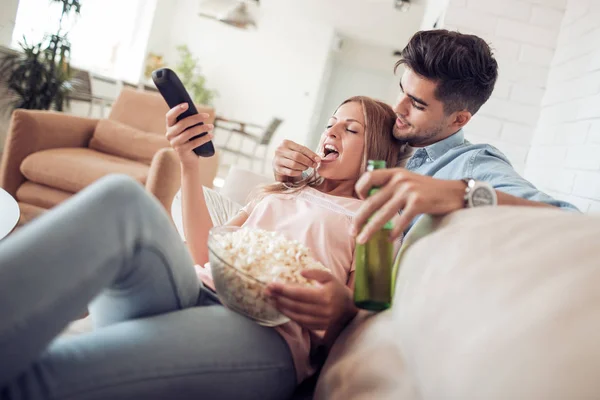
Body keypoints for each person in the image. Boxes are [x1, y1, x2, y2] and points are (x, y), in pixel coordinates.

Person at [0, 96, 405, 399]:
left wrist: (340, 311)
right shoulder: (281, 193)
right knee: (122, 198)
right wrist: (189, 166)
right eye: (331, 123)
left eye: (351, 130)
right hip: (196, 285)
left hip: (268, 332)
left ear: (378, 156)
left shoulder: (377, 217)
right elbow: (205, 253)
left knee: (49, 372)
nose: (330, 132)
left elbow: (366, 317)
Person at [272, 29, 578, 246]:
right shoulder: (385, 135)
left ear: (459, 119)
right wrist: (290, 176)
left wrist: (464, 194)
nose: (398, 108)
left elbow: (569, 222)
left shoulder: (471, 165)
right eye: (402, 91)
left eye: (417, 104)